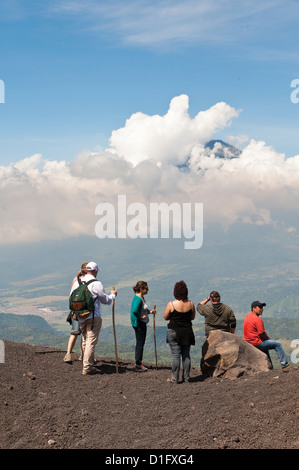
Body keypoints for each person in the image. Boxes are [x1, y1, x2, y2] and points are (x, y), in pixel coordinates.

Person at [69, 261, 117, 375]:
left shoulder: (78, 282)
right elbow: (105, 300)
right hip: (93, 316)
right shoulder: (96, 283)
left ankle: (86, 362)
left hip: (80, 315)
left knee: (85, 339)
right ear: (95, 271)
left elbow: (71, 297)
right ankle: (87, 367)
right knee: (91, 341)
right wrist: (113, 295)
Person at [243, 300, 290, 372]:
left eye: (262, 307)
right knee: (277, 344)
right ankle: (285, 365)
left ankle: (270, 367)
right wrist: (268, 339)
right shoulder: (258, 319)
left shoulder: (248, 315)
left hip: (248, 342)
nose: (262, 309)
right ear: (254, 308)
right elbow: (262, 334)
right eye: (260, 307)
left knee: (265, 347)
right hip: (256, 343)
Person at [164, 281, 195, 383]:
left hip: (174, 331)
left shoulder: (171, 304)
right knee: (186, 355)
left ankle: (174, 378)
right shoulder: (190, 304)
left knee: (176, 355)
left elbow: (165, 317)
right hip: (187, 331)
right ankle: (186, 378)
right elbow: (192, 317)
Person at [64, 262, 88, 363]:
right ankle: (82, 355)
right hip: (85, 311)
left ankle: (68, 354)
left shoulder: (76, 279)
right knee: (84, 334)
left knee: (74, 333)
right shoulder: (88, 281)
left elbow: (71, 296)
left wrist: (73, 311)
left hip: (75, 310)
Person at [130, 280, 156, 371]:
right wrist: (140, 317)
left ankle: (139, 362)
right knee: (140, 343)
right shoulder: (138, 299)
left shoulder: (140, 297)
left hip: (140, 323)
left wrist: (150, 312)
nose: (147, 290)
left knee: (140, 343)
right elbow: (134, 310)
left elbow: (142, 309)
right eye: (146, 289)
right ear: (141, 289)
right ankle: (138, 363)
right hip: (140, 324)